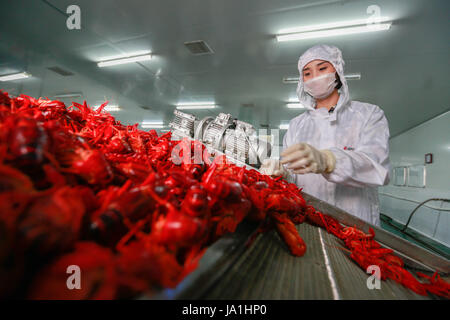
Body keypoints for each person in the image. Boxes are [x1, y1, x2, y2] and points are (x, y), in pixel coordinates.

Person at [261, 44, 390, 226]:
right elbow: (293, 176)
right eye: (307, 73)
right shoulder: (297, 125)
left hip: (356, 224)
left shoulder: (369, 114)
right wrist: (281, 173)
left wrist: (329, 160)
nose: (315, 77)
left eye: (322, 68)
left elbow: (377, 168)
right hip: (309, 222)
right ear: (302, 81)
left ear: (337, 71)